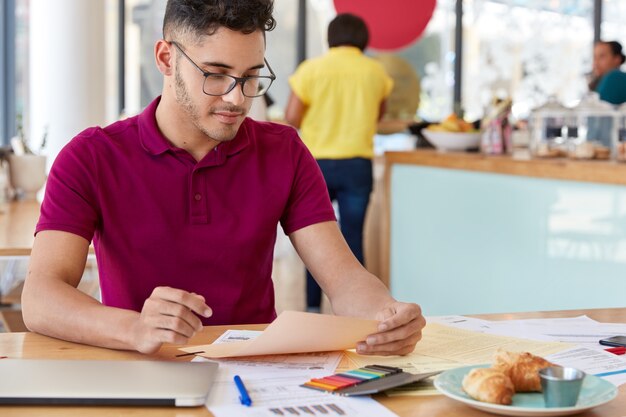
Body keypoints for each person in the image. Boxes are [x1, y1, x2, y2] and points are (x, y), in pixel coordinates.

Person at [21, 0, 425, 356]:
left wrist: (385, 316)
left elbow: (345, 279)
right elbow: (41, 299)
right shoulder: (91, 156)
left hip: (256, 372)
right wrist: (133, 328)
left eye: (251, 76)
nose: (237, 98)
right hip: (139, 363)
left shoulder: (285, 150)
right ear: (165, 58)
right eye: (216, 74)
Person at [285, 14, 392, 313]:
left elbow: (292, 117)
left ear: (330, 37)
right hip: (358, 163)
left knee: (312, 239)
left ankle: (311, 309)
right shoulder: (375, 72)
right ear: (363, 39)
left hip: (316, 165)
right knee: (352, 237)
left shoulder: (312, 69)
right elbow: (378, 114)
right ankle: (359, 314)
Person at [590, 40, 626, 105]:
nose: (596, 62)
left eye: (602, 56)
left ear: (617, 59)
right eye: (595, 57)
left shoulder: (615, 77)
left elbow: (598, 112)